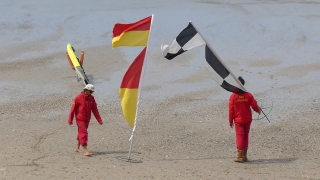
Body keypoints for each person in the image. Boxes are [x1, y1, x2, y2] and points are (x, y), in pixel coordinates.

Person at [229, 76, 260, 163]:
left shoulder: (233, 96)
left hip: (238, 120)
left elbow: (231, 109)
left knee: (239, 136)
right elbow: (254, 105)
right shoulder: (248, 95)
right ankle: (245, 155)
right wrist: (258, 110)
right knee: (245, 136)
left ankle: (240, 156)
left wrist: (230, 120)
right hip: (247, 119)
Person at [68, 84, 103, 156]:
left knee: (81, 132)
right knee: (84, 133)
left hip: (87, 119)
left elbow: (95, 110)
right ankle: (85, 150)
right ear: (85, 90)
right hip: (80, 119)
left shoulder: (92, 98)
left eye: (92, 92)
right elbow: (72, 110)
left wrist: (99, 120)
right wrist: (70, 120)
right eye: (90, 91)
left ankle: (77, 147)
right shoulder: (78, 98)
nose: (91, 93)